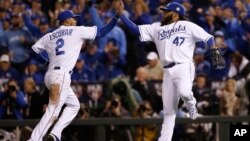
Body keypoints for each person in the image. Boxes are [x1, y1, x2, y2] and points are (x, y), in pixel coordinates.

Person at [114, 1, 225, 141]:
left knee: (184, 92)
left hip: (183, 66)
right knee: (168, 113)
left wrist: (213, 48)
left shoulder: (187, 25)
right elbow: (136, 30)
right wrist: (121, 15)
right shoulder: (157, 27)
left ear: (175, 14)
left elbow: (208, 37)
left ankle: (191, 104)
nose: (163, 13)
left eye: (166, 11)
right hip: (167, 71)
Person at [28, 9, 119, 141]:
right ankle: (34, 139)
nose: (75, 20)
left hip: (50, 75)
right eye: (73, 18)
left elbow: (32, 52)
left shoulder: (49, 35)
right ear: (67, 21)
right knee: (53, 110)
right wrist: (116, 17)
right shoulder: (76, 31)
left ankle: (55, 134)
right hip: (61, 76)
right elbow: (102, 31)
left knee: (74, 105)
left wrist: (46, 61)